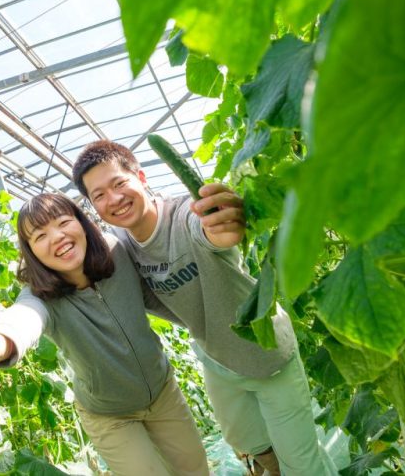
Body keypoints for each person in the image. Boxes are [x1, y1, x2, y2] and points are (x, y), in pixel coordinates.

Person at [71, 140, 336, 476]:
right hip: (216, 356)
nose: (114, 199)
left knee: (303, 465)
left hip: (265, 351)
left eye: (119, 183)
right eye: (99, 195)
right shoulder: (122, 249)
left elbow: (209, 231)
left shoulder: (185, 215)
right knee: (245, 439)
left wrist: (223, 228)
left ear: (141, 177)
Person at [0, 193, 209, 476]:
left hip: (163, 392)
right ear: (31, 251)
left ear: (82, 223)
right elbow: (23, 318)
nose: (56, 237)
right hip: (110, 417)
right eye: (40, 236)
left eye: (64, 222)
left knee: (196, 469)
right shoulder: (39, 297)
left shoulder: (118, 252)